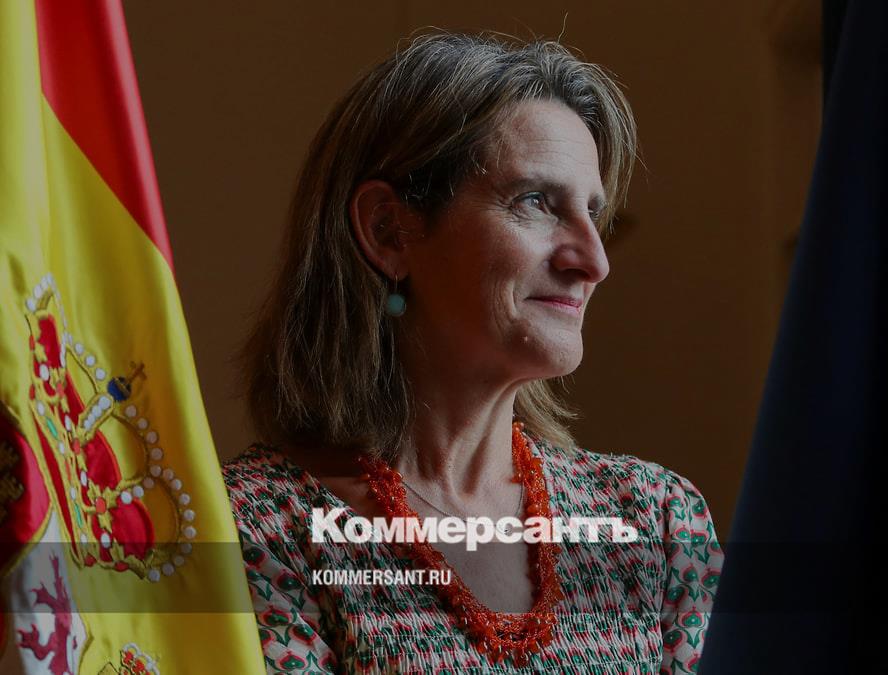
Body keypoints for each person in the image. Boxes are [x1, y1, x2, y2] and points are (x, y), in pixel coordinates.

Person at [222, 32, 722, 673]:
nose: (593, 261)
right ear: (388, 231)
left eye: (593, 214)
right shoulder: (258, 526)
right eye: (536, 202)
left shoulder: (657, 520)